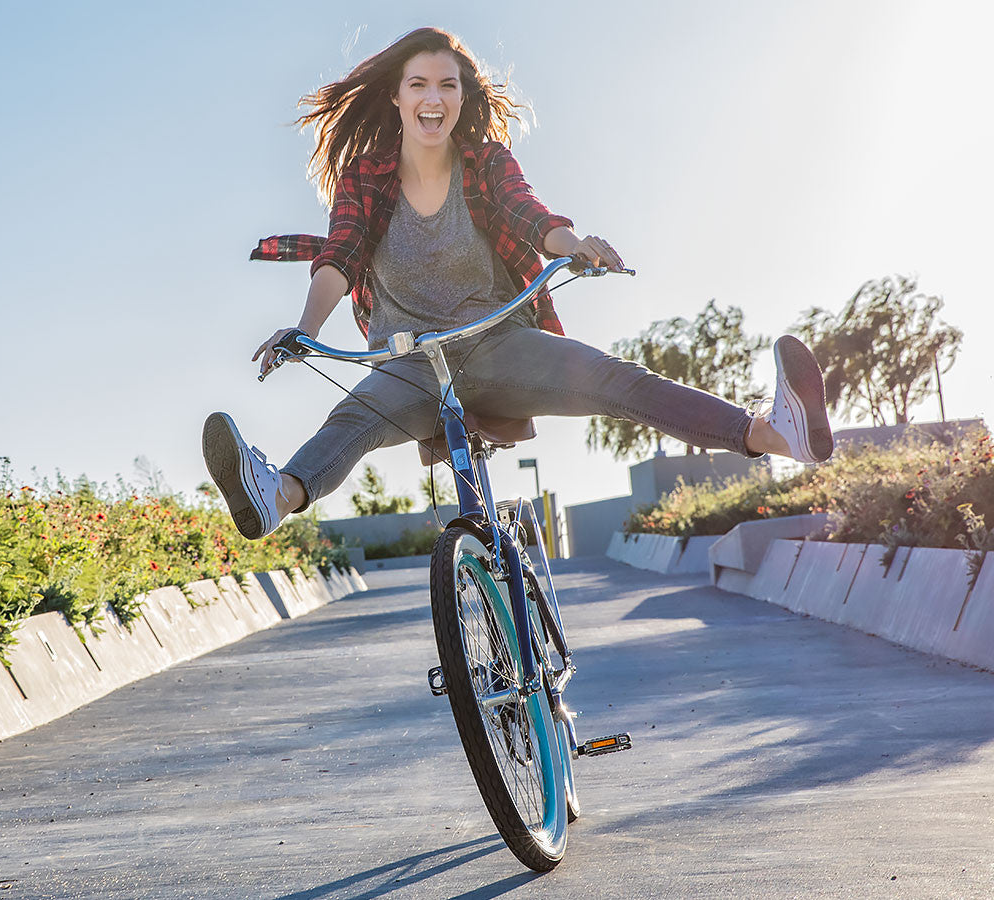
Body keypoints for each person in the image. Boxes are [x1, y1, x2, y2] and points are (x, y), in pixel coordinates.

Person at [203, 27, 832, 541]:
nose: (433, 97)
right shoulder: (365, 178)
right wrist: (306, 332)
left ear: (461, 98)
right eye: (418, 83)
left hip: (498, 345)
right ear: (396, 97)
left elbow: (526, 214)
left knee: (617, 381)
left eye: (446, 85)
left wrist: (574, 245)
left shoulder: (484, 160)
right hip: (409, 362)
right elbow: (340, 256)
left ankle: (774, 432)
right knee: (351, 421)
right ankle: (274, 495)